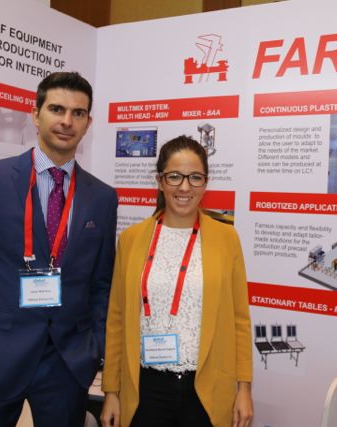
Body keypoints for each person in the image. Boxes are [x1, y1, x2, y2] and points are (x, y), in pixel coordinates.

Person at [0, 71, 118, 427]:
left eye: (78, 113)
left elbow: (101, 284)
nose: (67, 121)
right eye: (57, 109)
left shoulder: (102, 198)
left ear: (88, 122)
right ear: (36, 114)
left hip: (66, 365)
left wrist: (94, 348)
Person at [100, 136, 253, 427]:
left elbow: (240, 320)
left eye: (195, 177)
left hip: (206, 388)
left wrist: (244, 389)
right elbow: (116, 319)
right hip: (145, 388)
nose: (185, 187)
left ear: (205, 183)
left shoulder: (226, 239)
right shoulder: (131, 239)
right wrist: (111, 391)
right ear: (160, 181)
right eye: (174, 177)